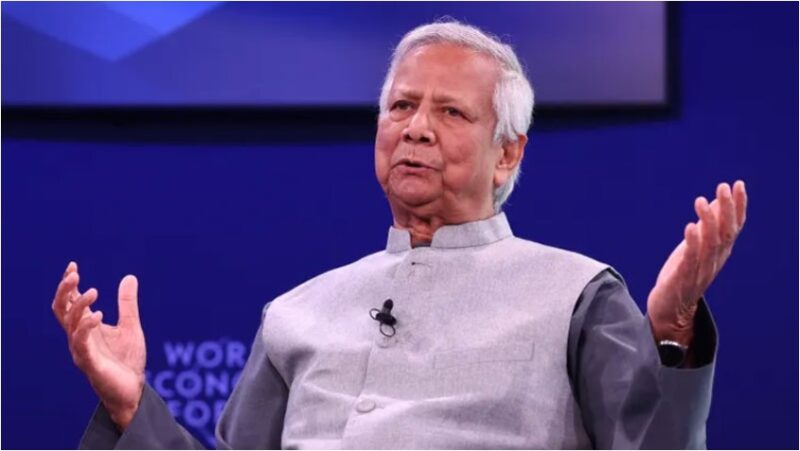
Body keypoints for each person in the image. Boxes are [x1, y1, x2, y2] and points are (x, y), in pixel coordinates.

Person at [54, 21, 748, 449]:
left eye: (451, 112)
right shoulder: (296, 311)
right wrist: (130, 405)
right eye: (401, 106)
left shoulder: (579, 295)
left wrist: (672, 330)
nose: (416, 128)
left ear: (508, 153)